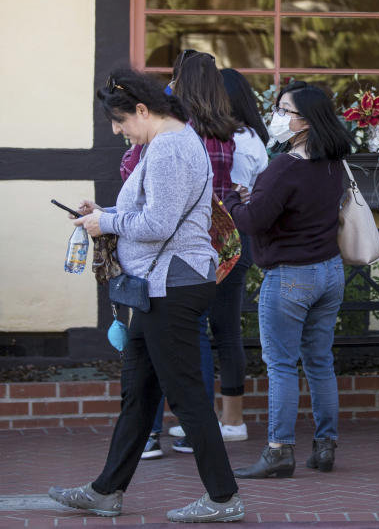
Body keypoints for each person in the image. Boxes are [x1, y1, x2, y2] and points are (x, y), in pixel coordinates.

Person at [49, 69, 243, 523]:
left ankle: (223, 497)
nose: (117, 131)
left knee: (187, 396)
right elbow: (153, 213)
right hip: (160, 287)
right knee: (139, 395)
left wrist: (107, 223)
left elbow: (158, 225)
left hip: (171, 287)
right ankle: (106, 491)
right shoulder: (164, 144)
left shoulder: (170, 148)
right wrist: (106, 212)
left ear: (142, 109)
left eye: (119, 121)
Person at [224, 81, 352, 478]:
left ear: (306, 121)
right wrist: (256, 199)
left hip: (290, 278)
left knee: (281, 365)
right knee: (319, 363)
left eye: (285, 110)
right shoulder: (334, 163)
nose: (277, 117)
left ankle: (280, 450)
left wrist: (231, 200)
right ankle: (325, 446)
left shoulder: (283, 167)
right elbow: (293, 210)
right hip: (330, 272)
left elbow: (252, 221)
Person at [132, 51, 239, 458]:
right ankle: (198, 431)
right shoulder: (227, 133)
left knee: (158, 339)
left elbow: (135, 173)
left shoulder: (173, 135)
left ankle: (152, 433)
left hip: (171, 250)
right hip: (219, 247)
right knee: (202, 338)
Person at [213, 68, 269, 440]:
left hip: (229, 238)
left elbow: (235, 192)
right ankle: (224, 416)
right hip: (232, 238)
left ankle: (232, 419)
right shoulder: (249, 137)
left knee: (223, 328)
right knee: (222, 328)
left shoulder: (238, 141)